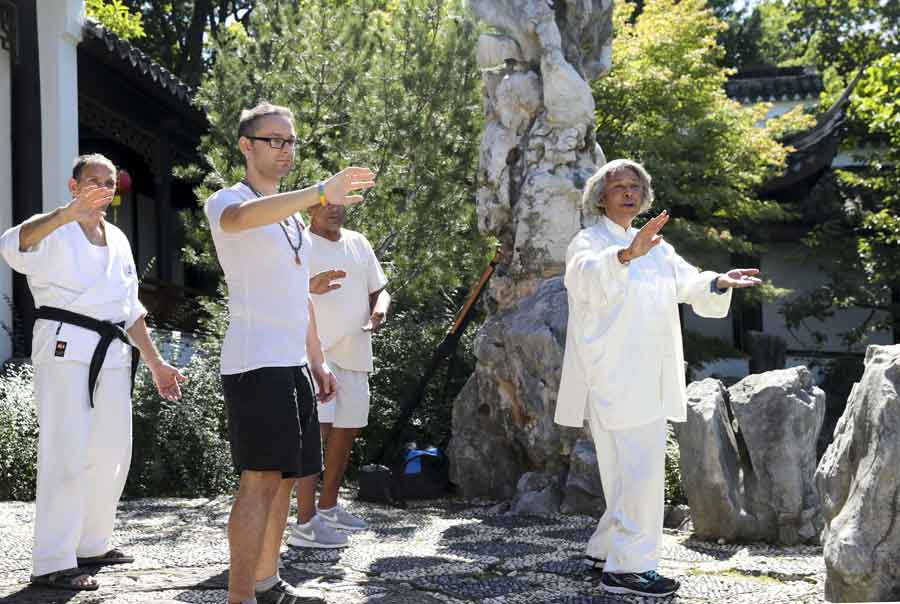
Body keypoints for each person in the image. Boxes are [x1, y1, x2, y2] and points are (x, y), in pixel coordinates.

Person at [555, 159, 761, 598]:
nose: (628, 192)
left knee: (628, 470)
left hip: (650, 372)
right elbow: (584, 280)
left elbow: (689, 282)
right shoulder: (589, 242)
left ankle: (606, 551)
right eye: (619, 187)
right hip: (614, 373)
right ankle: (629, 569)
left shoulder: (658, 248)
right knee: (640, 473)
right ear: (601, 197)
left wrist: (719, 281)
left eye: (635, 186)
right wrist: (626, 255)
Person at [204, 101, 375, 604]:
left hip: (293, 364)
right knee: (258, 481)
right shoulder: (229, 199)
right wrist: (320, 191)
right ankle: (240, 597)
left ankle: (267, 583)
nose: (285, 149)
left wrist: (316, 361)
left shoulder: (293, 222)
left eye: (290, 141)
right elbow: (239, 220)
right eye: (274, 140)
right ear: (246, 145)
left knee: (283, 482)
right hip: (255, 363)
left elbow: (300, 295)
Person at [0, 153, 187, 591]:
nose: (103, 188)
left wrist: (156, 363)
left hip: (114, 354)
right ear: (74, 185)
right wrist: (67, 213)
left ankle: (91, 544)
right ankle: (52, 560)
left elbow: (130, 309)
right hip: (66, 346)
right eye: (93, 181)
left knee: (111, 452)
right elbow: (12, 245)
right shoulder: (52, 227)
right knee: (65, 452)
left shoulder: (118, 239)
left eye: (109, 182)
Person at [287, 200, 390, 547]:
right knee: (315, 435)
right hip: (317, 356)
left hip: (356, 354)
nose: (333, 210)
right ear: (311, 208)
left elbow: (380, 290)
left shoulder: (358, 242)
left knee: (346, 432)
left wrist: (380, 310)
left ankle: (328, 507)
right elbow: (279, 291)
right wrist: (309, 286)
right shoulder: (300, 241)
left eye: (339, 204)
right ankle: (304, 521)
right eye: (325, 204)